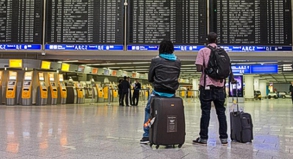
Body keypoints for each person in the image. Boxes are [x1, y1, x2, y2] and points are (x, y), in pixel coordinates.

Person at [194, 32, 234, 145]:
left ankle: (203, 138)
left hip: (206, 86)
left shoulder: (202, 51)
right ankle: (224, 138)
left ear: (207, 40)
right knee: (221, 113)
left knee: (205, 112)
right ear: (216, 40)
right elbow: (228, 68)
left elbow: (198, 68)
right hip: (220, 87)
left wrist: (207, 68)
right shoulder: (223, 51)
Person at [140, 40, 181, 144]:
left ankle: (146, 135)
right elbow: (176, 76)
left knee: (149, 110)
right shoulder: (178, 61)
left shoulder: (156, 60)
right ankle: (170, 133)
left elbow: (150, 78)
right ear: (172, 49)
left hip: (158, 92)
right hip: (171, 93)